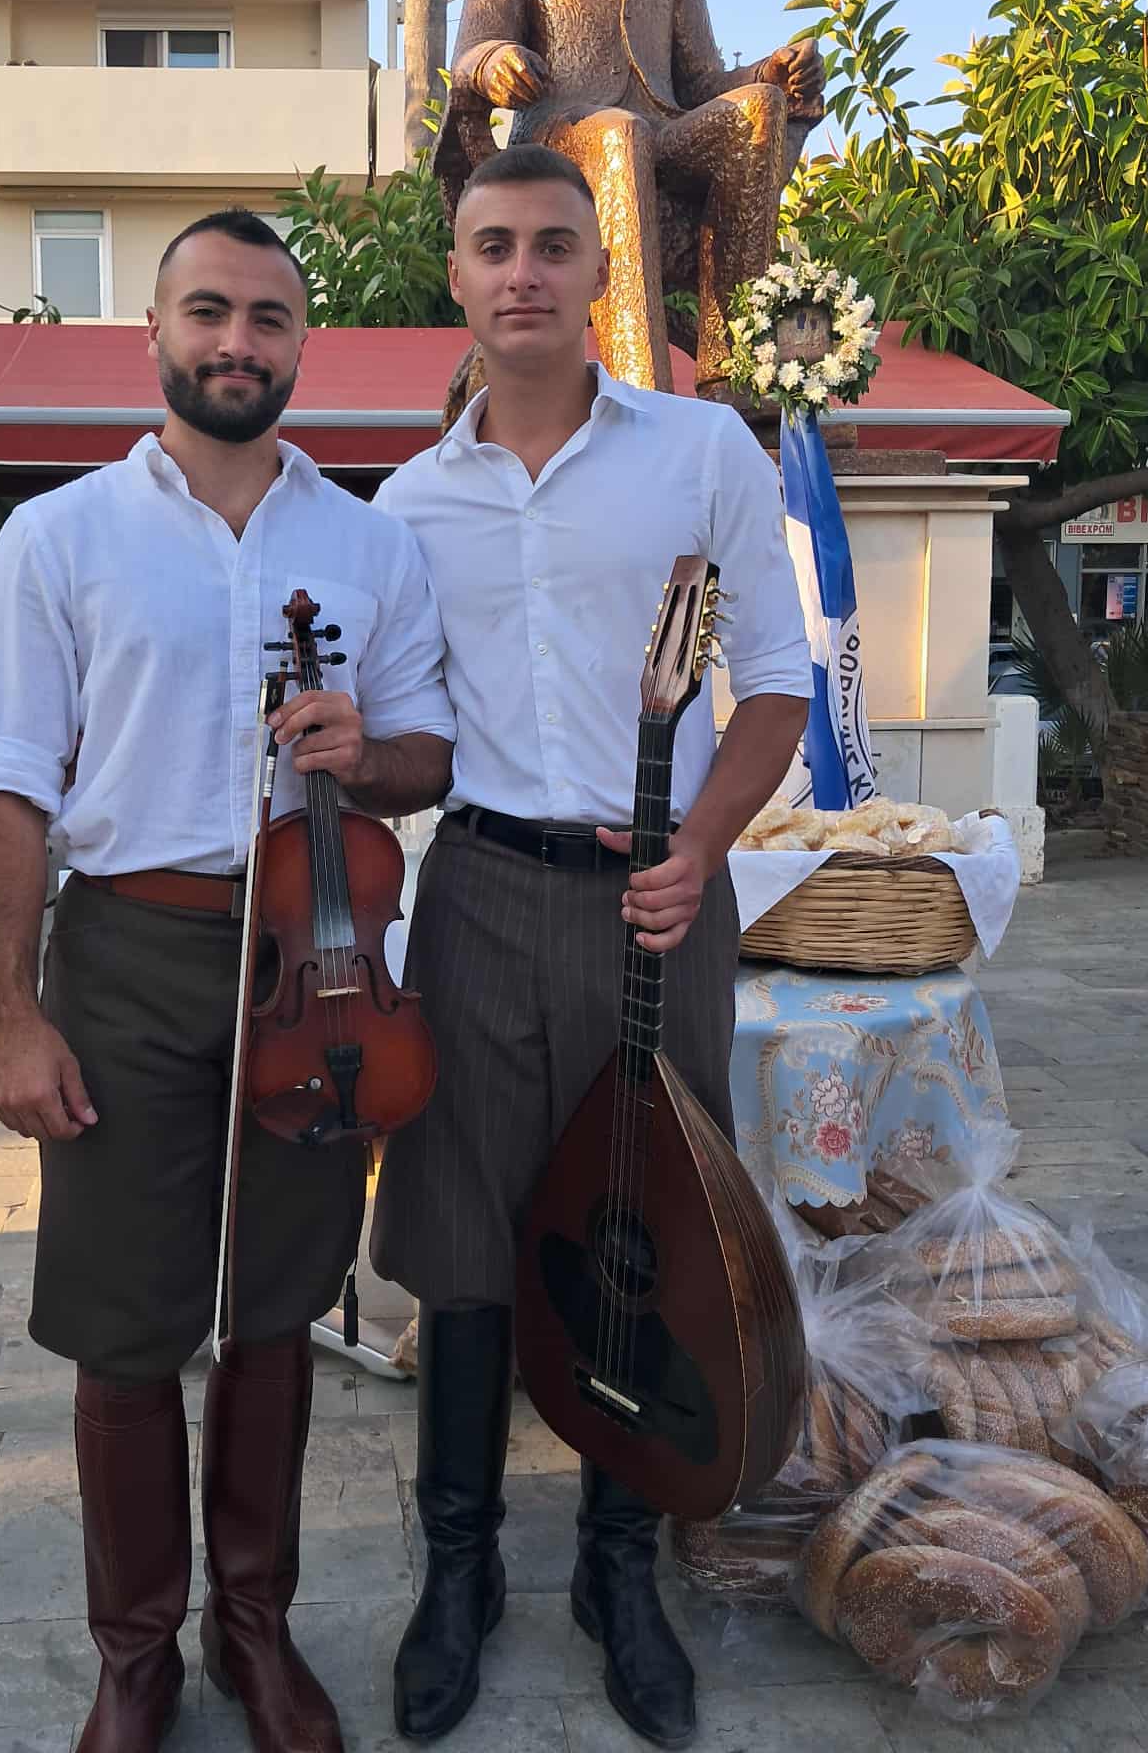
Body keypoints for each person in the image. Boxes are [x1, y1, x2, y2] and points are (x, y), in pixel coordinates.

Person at [0, 209, 455, 1753]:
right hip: (129, 954)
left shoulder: (369, 543)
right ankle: (135, 1654)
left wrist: (367, 752)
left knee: (277, 1306)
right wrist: (14, 1018)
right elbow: (6, 786)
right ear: (157, 331)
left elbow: (430, 754)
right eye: (210, 312)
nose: (239, 341)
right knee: (124, 1324)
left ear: (302, 344)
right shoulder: (60, 537)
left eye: (269, 318)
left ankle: (254, 1626)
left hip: (320, 958)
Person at [370, 144, 813, 1748]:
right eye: (493, 245)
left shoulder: (700, 452)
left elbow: (777, 684)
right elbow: (416, 736)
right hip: (481, 895)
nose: (524, 272)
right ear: (457, 275)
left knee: (653, 1230)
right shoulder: (407, 504)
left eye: (553, 243)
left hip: (660, 899)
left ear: (597, 273)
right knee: (464, 1242)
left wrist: (703, 848)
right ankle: (462, 1570)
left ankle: (620, 1573)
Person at [436, 0, 825, 396]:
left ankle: (736, 374)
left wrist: (773, 72)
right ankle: (644, 393)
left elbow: (701, 83)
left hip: (662, 131)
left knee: (757, 108)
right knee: (621, 132)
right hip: (560, 137)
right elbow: (471, 54)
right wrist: (495, 62)